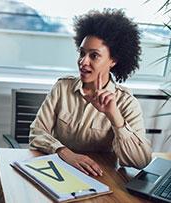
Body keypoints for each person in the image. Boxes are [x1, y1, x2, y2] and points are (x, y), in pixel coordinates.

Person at [29, 9, 152, 176]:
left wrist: (114, 116)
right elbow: (37, 132)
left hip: (100, 177)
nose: (83, 61)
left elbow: (140, 161)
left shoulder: (126, 103)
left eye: (94, 55)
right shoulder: (62, 88)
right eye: (82, 53)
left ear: (113, 60)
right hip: (58, 171)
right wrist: (65, 153)